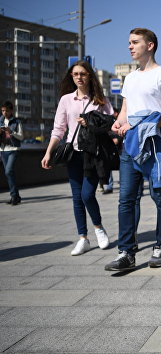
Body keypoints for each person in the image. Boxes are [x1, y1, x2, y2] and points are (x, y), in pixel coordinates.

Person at [105, 28, 161, 271]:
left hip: (156, 145)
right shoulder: (131, 78)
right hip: (131, 147)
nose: (130, 46)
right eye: (129, 42)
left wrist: (137, 123)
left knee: (160, 196)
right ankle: (126, 252)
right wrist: (118, 121)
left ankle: (160, 246)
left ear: (150, 45)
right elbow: (125, 110)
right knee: (126, 199)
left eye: (135, 42)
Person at [41, 60, 113, 255]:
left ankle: (98, 228)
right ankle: (83, 238)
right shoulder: (66, 100)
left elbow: (111, 124)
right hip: (74, 154)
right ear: (71, 77)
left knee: (87, 194)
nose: (79, 77)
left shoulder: (101, 100)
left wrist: (90, 122)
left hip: (93, 154)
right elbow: (59, 129)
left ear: (89, 76)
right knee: (76, 198)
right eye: (76, 74)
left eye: (83, 74)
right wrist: (48, 153)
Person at [1, 101, 24, 206]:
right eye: (2, 110)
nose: (4, 112)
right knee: (9, 173)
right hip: (2, 150)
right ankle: (16, 196)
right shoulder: (0, 121)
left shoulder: (17, 122)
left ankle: (14, 196)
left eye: (6, 110)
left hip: (13, 150)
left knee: (8, 171)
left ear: (11, 111)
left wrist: (12, 132)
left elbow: (21, 137)